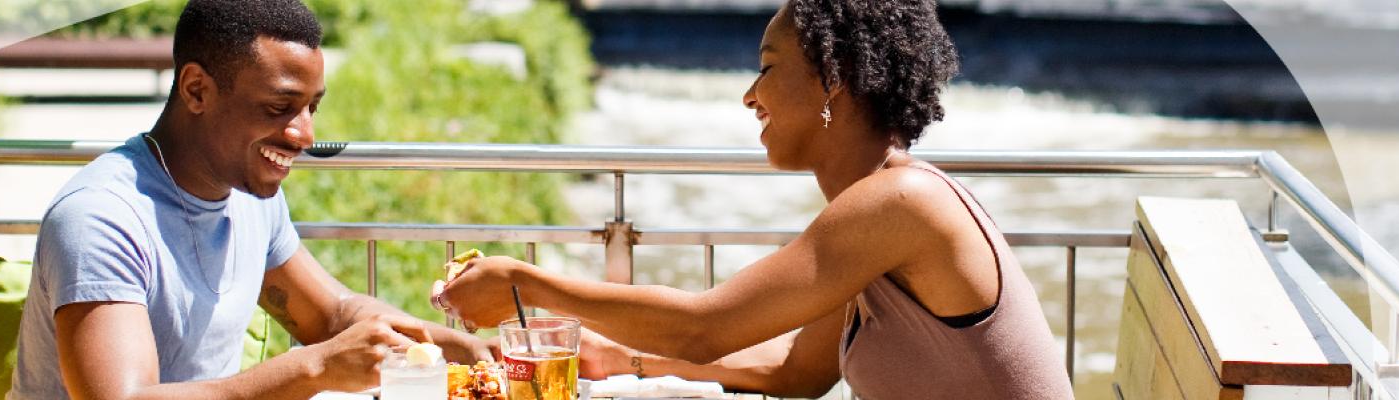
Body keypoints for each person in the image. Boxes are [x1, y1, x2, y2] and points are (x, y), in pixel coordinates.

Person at [434, 1, 1074, 398]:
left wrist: (526, 282)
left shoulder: (901, 204)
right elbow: (796, 371)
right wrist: (624, 359)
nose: (750, 94)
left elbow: (704, 327)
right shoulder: (879, 206)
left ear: (832, 80)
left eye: (767, 66)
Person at [8, 1, 492, 398]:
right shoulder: (101, 217)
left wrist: (464, 351)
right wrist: (316, 368)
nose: (304, 135)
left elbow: (331, 315)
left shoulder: (248, 191)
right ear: (197, 89)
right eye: (280, 107)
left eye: (311, 108)